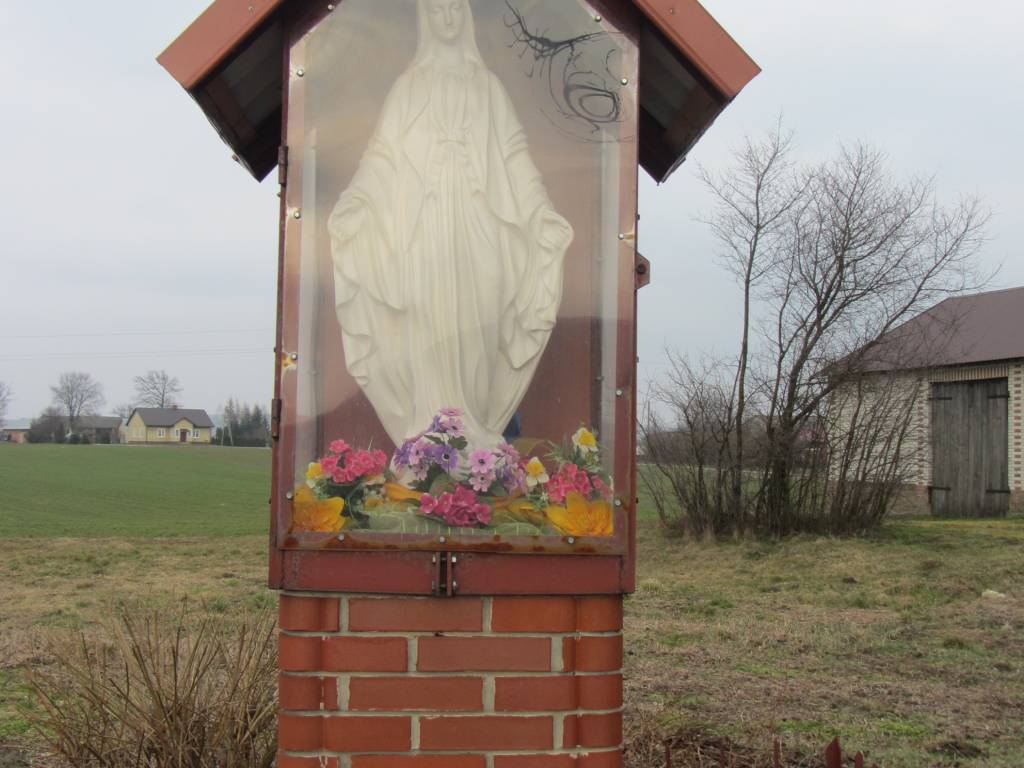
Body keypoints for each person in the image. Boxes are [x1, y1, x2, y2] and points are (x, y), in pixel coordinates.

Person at [328, 0, 573, 453]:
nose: (447, 18)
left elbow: (515, 158)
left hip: (479, 225)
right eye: (437, 9)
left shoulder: (488, 88)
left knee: (481, 326)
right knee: (426, 330)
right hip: (424, 230)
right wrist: (357, 199)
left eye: (455, 8)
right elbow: (381, 158)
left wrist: (540, 211)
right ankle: (430, 445)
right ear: (425, 16)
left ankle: (475, 436)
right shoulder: (408, 88)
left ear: (466, 16)